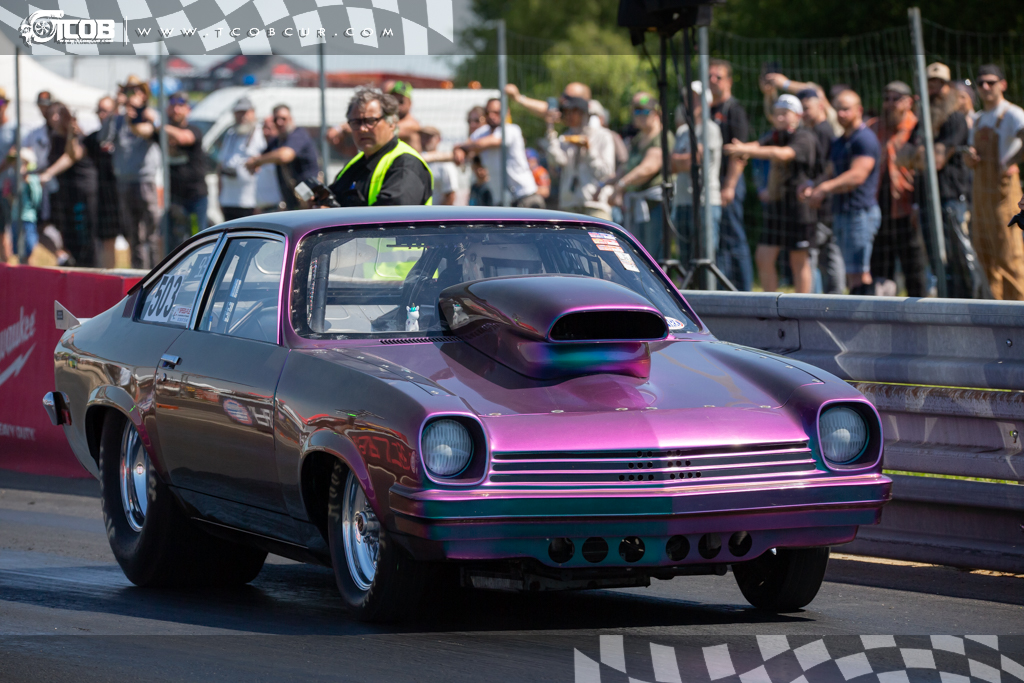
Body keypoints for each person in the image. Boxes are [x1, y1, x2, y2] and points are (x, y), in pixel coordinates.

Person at [899, 63, 983, 298]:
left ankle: (966, 304)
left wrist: (919, 153)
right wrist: (924, 153)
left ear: (948, 87)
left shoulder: (955, 119)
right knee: (937, 260)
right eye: (929, 84)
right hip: (926, 199)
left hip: (950, 198)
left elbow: (936, 161)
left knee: (957, 259)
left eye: (939, 84)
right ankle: (947, 306)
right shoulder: (923, 122)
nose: (933, 89)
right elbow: (901, 158)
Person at [725, 95, 816, 293]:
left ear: (798, 115)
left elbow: (782, 154)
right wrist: (738, 148)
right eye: (777, 114)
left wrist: (744, 150)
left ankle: (803, 305)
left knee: (798, 260)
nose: (780, 117)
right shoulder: (775, 135)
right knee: (763, 256)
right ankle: (770, 303)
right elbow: (757, 145)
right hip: (776, 204)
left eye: (785, 113)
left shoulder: (804, 136)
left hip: (798, 207)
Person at [804, 90, 882, 295]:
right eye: (838, 109)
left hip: (860, 213)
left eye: (846, 109)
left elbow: (857, 175)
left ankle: (865, 314)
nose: (841, 114)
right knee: (851, 273)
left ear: (859, 110)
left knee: (860, 273)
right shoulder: (839, 142)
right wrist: (812, 186)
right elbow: (830, 172)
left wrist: (824, 188)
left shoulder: (864, 139)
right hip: (841, 212)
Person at [965, 64, 1024, 300]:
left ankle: (1019, 309)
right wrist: (969, 157)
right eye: (981, 83)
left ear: (1003, 84)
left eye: (991, 82)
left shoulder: (1012, 114)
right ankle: (995, 312)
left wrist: (1010, 160)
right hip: (981, 195)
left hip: (1004, 195)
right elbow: (971, 152)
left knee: (1009, 254)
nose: (985, 87)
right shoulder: (978, 119)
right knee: (984, 253)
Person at [867, 81, 928, 297]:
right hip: (878, 206)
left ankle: (919, 313)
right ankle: (883, 312)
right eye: (887, 99)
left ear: (909, 102)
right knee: (880, 267)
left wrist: (918, 204)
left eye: (896, 99)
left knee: (914, 267)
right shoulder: (873, 127)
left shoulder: (917, 127)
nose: (890, 103)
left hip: (908, 205)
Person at [326, 88, 432, 207]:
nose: (362, 129)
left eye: (370, 121)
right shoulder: (355, 163)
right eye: (356, 122)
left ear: (392, 123)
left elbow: (393, 214)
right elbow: (331, 198)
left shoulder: (406, 164)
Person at [709, 59, 754, 290]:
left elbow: (740, 152)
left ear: (728, 81)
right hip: (711, 184)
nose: (712, 81)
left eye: (718, 77)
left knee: (734, 237)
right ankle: (725, 290)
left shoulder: (734, 109)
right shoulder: (706, 109)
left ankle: (745, 291)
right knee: (720, 241)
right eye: (709, 76)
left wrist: (729, 185)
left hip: (729, 182)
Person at [612, 92, 672, 259]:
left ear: (657, 113)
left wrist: (620, 186)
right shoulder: (638, 139)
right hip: (637, 204)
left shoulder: (662, 137)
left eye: (645, 111)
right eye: (636, 111)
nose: (639, 115)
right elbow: (627, 168)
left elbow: (648, 168)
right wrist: (604, 185)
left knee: (652, 256)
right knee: (637, 254)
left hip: (656, 205)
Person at [797, 87, 845, 294]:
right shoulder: (813, 130)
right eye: (801, 109)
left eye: (807, 108)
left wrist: (813, 186)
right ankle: (830, 297)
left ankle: (828, 298)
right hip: (821, 200)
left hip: (823, 203)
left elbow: (828, 169)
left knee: (818, 254)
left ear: (821, 106)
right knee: (827, 255)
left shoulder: (823, 131)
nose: (803, 113)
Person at [39, 103, 99, 267]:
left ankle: (88, 267)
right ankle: (72, 264)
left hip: (82, 192)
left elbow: (70, 156)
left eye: (58, 114)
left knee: (83, 235)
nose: (54, 118)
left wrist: (49, 173)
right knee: (66, 234)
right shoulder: (54, 138)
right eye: (51, 114)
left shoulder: (78, 137)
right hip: (64, 195)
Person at [112, 74, 163, 269]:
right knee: (133, 234)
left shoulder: (149, 114)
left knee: (151, 231)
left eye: (135, 90)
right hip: (124, 180)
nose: (131, 94)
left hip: (145, 180)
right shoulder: (118, 119)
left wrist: (133, 119)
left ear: (143, 94)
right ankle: (138, 274)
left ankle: (156, 270)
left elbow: (148, 131)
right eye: (127, 91)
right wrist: (116, 108)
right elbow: (103, 137)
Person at [670, 83, 723, 269]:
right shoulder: (682, 131)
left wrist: (678, 159)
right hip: (682, 200)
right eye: (688, 98)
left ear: (706, 101)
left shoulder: (711, 129)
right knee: (686, 258)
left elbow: (693, 160)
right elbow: (671, 166)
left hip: (705, 201)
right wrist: (681, 160)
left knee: (706, 258)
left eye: (696, 98)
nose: (691, 102)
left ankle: (708, 289)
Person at [456, 98, 542, 208]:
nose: (492, 116)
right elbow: (466, 144)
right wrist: (459, 150)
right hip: (502, 202)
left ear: (506, 112)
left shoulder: (511, 129)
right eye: (488, 112)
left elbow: (491, 141)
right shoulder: (482, 133)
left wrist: (463, 147)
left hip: (524, 197)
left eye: (496, 112)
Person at [541, 93, 616, 219]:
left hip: (595, 206)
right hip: (569, 206)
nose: (569, 116)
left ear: (584, 113)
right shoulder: (566, 137)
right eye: (566, 112)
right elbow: (557, 161)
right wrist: (550, 131)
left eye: (574, 111)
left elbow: (606, 173)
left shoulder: (603, 136)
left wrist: (589, 150)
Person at [245, 104, 320, 210]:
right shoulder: (277, 141)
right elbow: (261, 156)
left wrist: (257, 161)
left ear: (291, 119)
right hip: (293, 200)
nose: (280, 122)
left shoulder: (298, 134)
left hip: (310, 198)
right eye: (276, 119)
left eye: (283, 118)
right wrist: (253, 163)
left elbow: (284, 155)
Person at [80, 96, 120, 267]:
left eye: (106, 111)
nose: (101, 115)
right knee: (107, 241)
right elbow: (77, 152)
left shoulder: (124, 135)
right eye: (99, 111)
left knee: (137, 240)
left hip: (125, 191)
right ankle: (110, 277)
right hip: (104, 197)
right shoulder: (93, 138)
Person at [217, 97, 266, 221]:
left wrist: (261, 202)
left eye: (245, 112)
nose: (242, 116)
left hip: (250, 201)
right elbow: (221, 165)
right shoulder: (231, 133)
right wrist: (219, 197)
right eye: (238, 113)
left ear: (253, 112)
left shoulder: (261, 133)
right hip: (228, 200)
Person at [9, 149, 42, 263]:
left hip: (28, 218)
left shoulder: (32, 179)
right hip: (15, 218)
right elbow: (12, 201)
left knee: (29, 246)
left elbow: (37, 199)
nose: (14, 165)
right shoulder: (14, 180)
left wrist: (30, 183)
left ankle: (28, 268)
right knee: (17, 248)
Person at [505, 81, 592, 124]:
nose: (568, 114)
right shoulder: (567, 113)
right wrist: (518, 98)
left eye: (573, 109)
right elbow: (547, 110)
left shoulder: (594, 117)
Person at [420, 126, 459, 206]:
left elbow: (450, 195)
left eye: (429, 137)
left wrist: (440, 213)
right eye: (422, 137)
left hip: (436, 212)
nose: (425, 140)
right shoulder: (416, 160)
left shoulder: (445, 164)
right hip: (418, 211)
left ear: (438, 139)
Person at [255, 117, 284, 213]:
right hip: (263, 209)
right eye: (264, 128)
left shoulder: (281, 152)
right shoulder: (263, 150)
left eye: (269, 128)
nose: (266, 132)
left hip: (278, 208)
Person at [386, 80, 422, 151]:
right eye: (394, 101)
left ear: (410, 103)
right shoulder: (393, 120)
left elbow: (386, 133)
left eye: (401, 102)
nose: (397, 105)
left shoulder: (412, 125)